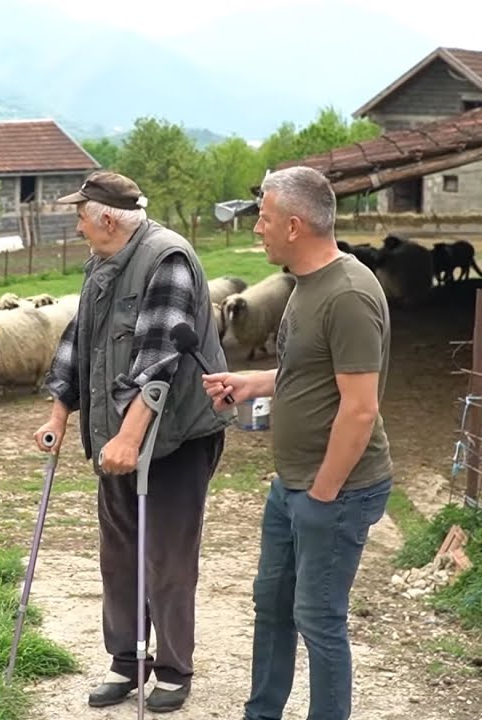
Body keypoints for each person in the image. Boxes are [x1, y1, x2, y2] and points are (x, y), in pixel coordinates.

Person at [34, 170, 231, 713]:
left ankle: (172, 669)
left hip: (174, 437)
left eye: (80, 214)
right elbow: (79, 341)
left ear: (108, 218)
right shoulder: (102, 264)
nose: (76, 224)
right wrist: (59, 412)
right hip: (115, 438)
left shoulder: (166, 259)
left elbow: (158, 361)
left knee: (166, 555)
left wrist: (128, 436)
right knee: (119, 554)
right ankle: (127, 662)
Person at [201, 165, 393, 720]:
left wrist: (323, 494)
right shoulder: (305, 285)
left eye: (262, 219)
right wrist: (252, 383)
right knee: (272, 606)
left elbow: (359, 409)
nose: (256, 229)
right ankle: (262, 713)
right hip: (292, 486)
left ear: (293, 224)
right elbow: (309, 372)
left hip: (336, 490)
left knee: (319, 619)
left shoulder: (350, 294)